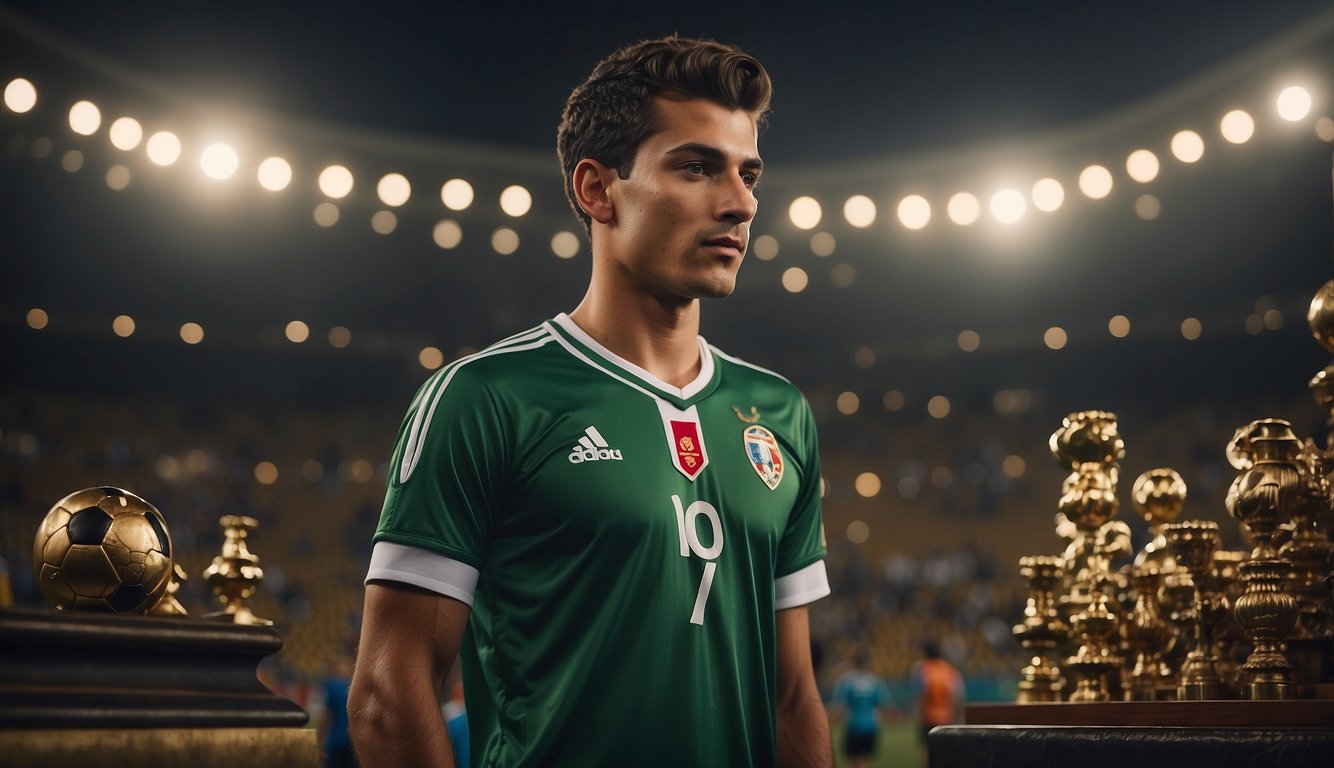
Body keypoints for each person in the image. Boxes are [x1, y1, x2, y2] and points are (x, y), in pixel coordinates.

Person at [349, 36, 832, 767]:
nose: (739, 204)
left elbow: (793, 698)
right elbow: (390, 690)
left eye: (748, 174)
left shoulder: (781, 413)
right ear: (596, 189)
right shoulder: (485, 399)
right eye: (697, 167)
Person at [829, 652, 892, 768]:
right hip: (871, 725)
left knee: (854, 761)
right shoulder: (875, 681)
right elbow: (883, 705)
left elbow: (839, 706)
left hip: (854, 725)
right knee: (864, 760)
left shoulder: (847, 681)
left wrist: (828, 722)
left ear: (854, 663)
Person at [911, 640, 964, 753]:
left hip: (928, 718)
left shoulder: (922, 669)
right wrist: (955, 718)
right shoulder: (950, 670)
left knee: (927, 753)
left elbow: (921, 695)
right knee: (944, 754)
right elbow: (958, 698)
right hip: (946, 719)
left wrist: (918, 714)